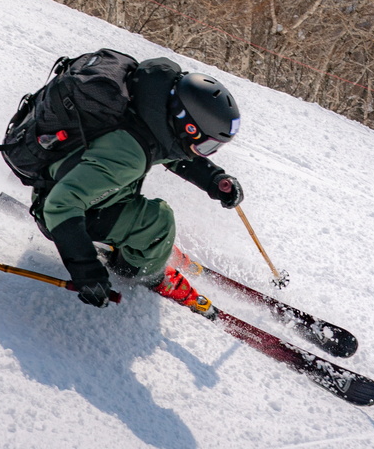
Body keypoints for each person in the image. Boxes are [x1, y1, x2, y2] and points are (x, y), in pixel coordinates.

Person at [32, 56, 244, 312]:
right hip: (58, 212)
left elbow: (168, 148)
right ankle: (145, 271)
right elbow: (61, 204)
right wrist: (87, 271)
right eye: (207, 146)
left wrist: (213, 179)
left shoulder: (148, 105)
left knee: (126, 182)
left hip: (63, 176)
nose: (206, 152)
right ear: (188, 127)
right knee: (159, 222)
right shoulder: (130, 154)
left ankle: (133, 242)